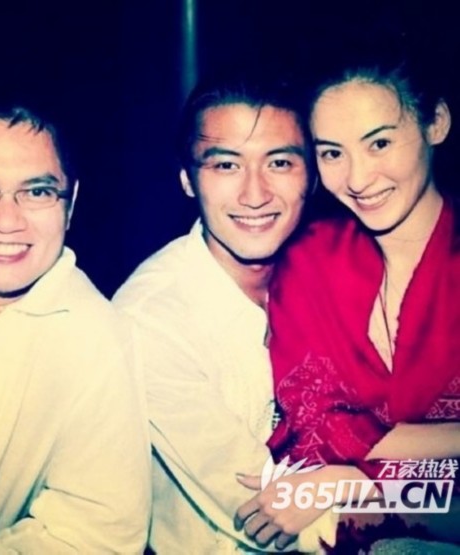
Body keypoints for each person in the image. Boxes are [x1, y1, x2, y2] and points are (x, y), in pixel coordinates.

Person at [234, 47, 460, 550]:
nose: (357, 179)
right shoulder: (309, 262)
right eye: (332, 153)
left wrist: (350, 483)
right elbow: (317, 433)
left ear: (436, 123)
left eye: (379, 143)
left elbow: (329, 471)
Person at [0, 89, 151, 554]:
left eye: (37, 192)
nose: (6, 220)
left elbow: (94, 529)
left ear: (70, 203)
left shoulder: (94, 335)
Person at [113, 72, 337, 553]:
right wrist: (432, 502)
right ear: (187, 180)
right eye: (226, 165)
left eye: (280, 162)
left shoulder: (335, 278)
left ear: (313, 176)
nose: (254, 194)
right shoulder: (151, 319)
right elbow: (265, 512)